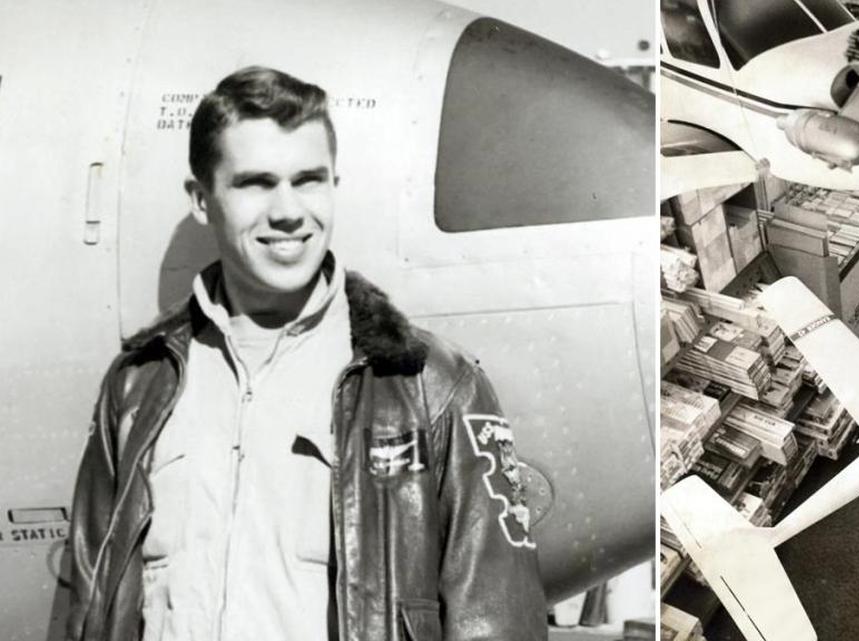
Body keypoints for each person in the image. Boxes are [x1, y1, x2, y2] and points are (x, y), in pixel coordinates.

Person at [65, 66, 547, 641]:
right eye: (256, 183)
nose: (289, 210)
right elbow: (85, 609)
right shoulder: (138, 386)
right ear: (201, 199)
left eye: (309, 180)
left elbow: (498, 623)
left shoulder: (430, 386)